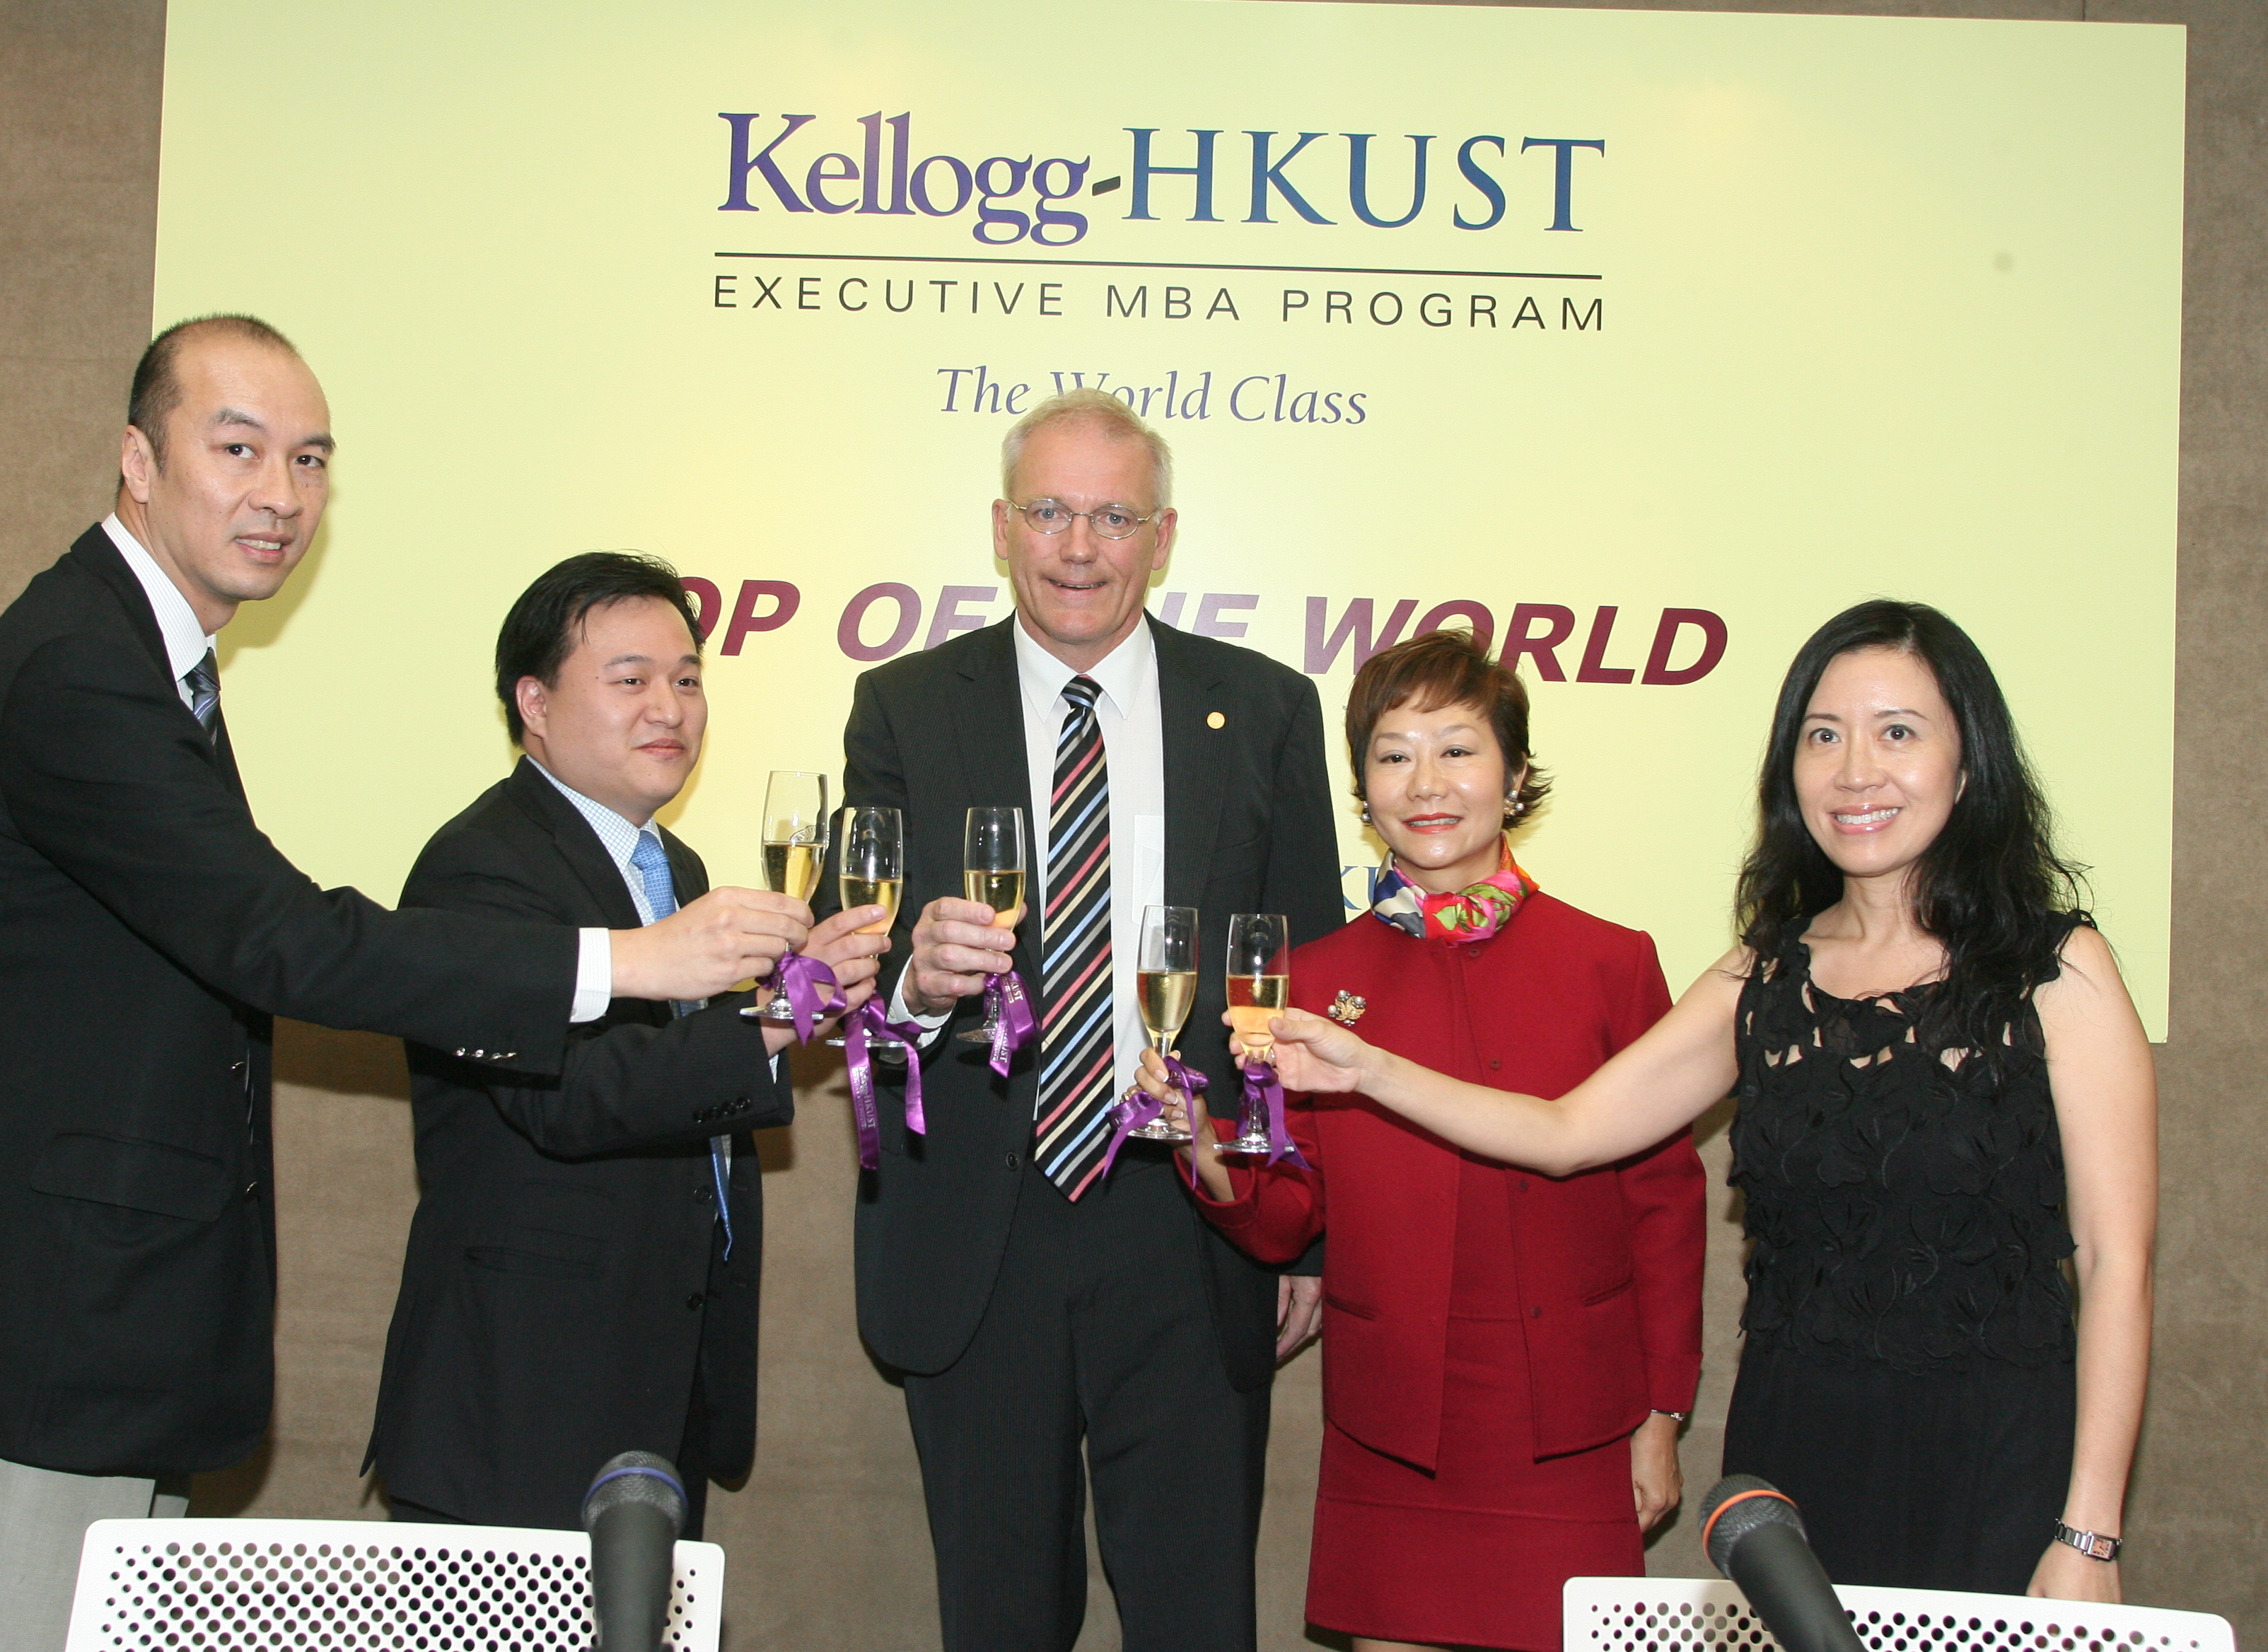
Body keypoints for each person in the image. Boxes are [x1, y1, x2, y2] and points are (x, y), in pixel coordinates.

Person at [0, 318, 815, 1652]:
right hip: (24, 1333)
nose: (280, 495)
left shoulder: (150, 659)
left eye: (309, 460)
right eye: (236, 449)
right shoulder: (79, 667)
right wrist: (635, 958)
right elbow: (281, 939)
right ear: (138, 458)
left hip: (103, 1336)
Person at [1209, 600, 2154, 1601]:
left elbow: (2116, 1263)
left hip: (1998, 1457)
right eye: (1822, 736)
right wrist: (1371, 1069)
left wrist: (2088, 1533)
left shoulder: (2058, 970)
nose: (1856, 770)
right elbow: (1569, 1132)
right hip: (1795, 1454)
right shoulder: (1764, 973)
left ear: (1970, 766)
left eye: (1899, 734)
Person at [827, 389, 1344, 1651]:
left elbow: (1303, 982)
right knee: (1000, 1616)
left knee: (1195, 1612)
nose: (1078, 545)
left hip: (1188, 1219)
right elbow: (860, 966)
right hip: (978, 1229)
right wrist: (911, 984)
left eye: (1113, 516)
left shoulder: (1267, 709)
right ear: (1000, 528)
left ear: (1162, 539)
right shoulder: (903, 709)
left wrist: (1305, 1234)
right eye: (1051, 511)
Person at [1145, 629, 1704, 1652]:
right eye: (1393, 753)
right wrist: (1203, 1144)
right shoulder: (1307, 981)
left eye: (1458, 749)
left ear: (1516, 773)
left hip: (1573, 1426)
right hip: (1395, 1428)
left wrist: (1662, 1415)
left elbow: (1664, 1204)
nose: (1425, 782)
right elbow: (1288, 1218)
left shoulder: (1612, 963)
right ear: (1363, 786)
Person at [365, 553, 885, 1535]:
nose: (672, 708)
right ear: (536, 702)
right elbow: (566, 1098)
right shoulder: (480, 867)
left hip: (655, 1391)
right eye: (631, 679)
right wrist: (778, 1019)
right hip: (524, 1404)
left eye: (688, 678)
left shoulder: (675, 865)